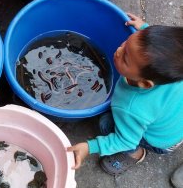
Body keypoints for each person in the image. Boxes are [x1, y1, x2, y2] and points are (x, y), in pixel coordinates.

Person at [67, 13, 183, 176]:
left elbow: (124, 139)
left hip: (161, 141)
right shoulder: (175, 70)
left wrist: (89, 147)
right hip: (174, 123)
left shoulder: (132, 107)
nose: (118, 51)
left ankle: (135, 153)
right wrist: (144, 29)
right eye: (126, 43)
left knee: (106, 123)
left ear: (144, 83)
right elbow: (168, 50)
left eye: (126, 59)